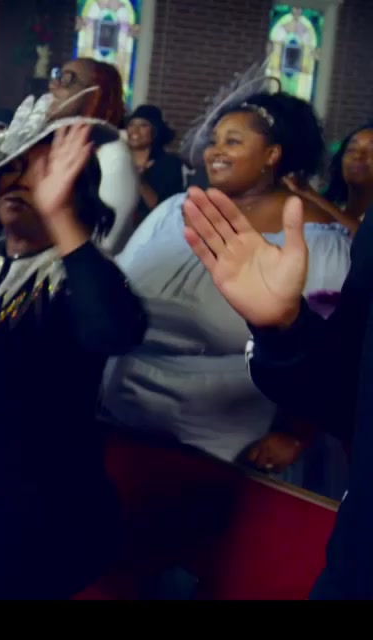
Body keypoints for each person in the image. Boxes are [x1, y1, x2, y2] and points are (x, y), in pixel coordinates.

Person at [0, 92, 147, 600]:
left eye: (38, 172)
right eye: (10, 169)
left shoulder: (80, 275)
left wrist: (59, 216)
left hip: (43, 518)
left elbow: (115, 332)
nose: (19, 181)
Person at [101, 92, 350, 500]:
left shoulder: (316, 241)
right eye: (214, 140)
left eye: (233, 141)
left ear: (272, 154)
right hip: (122, 412)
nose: (215, 151)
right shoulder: (174, 211)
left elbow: (328, 351)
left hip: (220, 439)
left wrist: (294, 434)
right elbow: (118, 287)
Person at [47, 58, 137, 254]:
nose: (53, 85)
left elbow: (106, 242)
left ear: (95, 94)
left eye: (67, 79)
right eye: (56, 76)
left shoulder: (114, 156)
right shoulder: (53, 146)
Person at [284, 122, 373, 236]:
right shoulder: (328, 205)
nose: (358, 156)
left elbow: (365, 239)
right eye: (351, 149)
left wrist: (311, 195)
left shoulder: (322, 204)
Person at [123, 104, 184, 218]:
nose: (135, 131)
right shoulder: (119, 159)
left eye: (143, 125)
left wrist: (140, 181)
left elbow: (166, 210)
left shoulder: (169, 164)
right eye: (131, 124)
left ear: (155, 131)